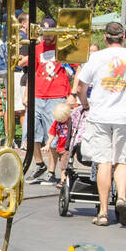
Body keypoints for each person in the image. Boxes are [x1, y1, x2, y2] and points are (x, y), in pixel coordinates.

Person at [75, 21, 126, 227]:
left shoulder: (96, 57)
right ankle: (122, 198)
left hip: (100, 115)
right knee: (122, 160)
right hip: (123, 115)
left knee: (104, 162)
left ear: (105, 38)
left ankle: (104, 211)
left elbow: (81, 86)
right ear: (123, 38)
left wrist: (85, 104)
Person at [28, 18, 74, 183]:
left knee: (53, 135)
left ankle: (52, 170)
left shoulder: (63, 48)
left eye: (49, 34)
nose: (46, 37)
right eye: (44, 34)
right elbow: (31, 71)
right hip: (38, 95)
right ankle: (39, 164)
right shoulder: (37, 48)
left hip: (56, 95)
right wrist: (28, 93)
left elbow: (77, 66)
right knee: (31, 133)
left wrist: (72, 93)